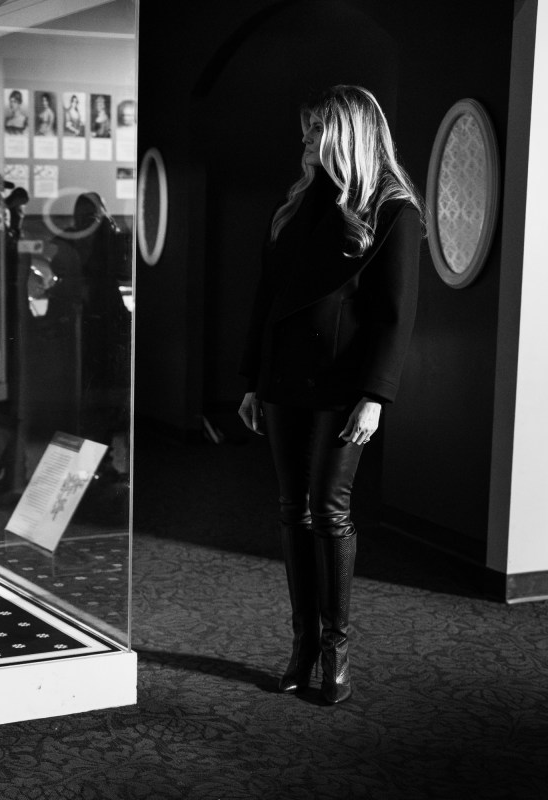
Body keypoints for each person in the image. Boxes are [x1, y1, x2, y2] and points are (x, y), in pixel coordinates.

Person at [238, 85, 423, 704]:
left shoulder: (394, 210)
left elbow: (394, 317)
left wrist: (375, 396)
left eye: (315, 131)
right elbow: (266, 303)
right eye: (305, 131)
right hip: (285, 378)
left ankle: (337, 652)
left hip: (344, 387)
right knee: (293, 508)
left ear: (345, 135)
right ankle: (304, 644)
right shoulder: (296, 205)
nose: (305, 142)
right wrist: (250, 381)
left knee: (330, 508)